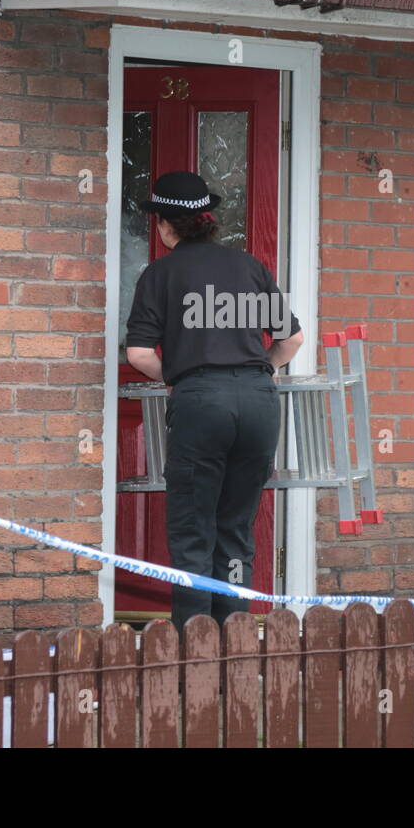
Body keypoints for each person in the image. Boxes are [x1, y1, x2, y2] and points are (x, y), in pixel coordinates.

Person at [124, 170, 304, 631]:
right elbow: (292, 340)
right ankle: (235, 637)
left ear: (166, 225)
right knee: (236, 530)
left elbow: (140, 354)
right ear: (207, 220)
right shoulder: (248, 266)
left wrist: (182, 376)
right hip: (259, 401)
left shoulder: (160, 274)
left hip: (201, 401)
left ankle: (195, 647)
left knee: (192, 531)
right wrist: (258, 370)